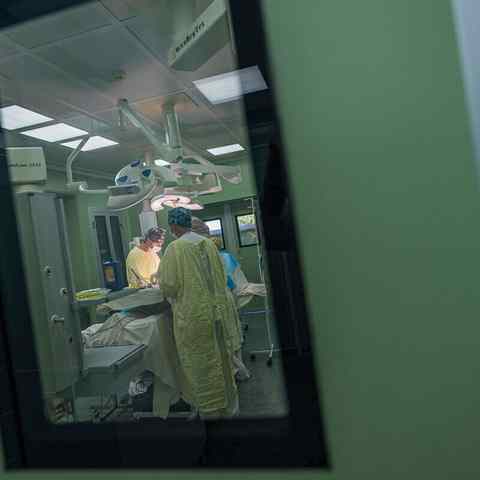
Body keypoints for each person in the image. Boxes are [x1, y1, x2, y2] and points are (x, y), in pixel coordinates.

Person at [159, 208, 238, 419]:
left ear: (173, 226)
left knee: (200, 364)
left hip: (193, 315)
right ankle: (226, 406)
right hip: (217, 312)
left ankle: (209, 410)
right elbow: (221, 276)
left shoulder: (175, 248)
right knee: (220, 359)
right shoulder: (209, 244)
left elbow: (168, 285)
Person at [190, 218, 251, 382]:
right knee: (231, 339)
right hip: (225, 296)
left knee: (224, 341)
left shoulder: (201, 253)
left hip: (217, 300)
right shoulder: (214, 252)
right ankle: (237, 372)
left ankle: (235, 373)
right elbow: (229, 281)